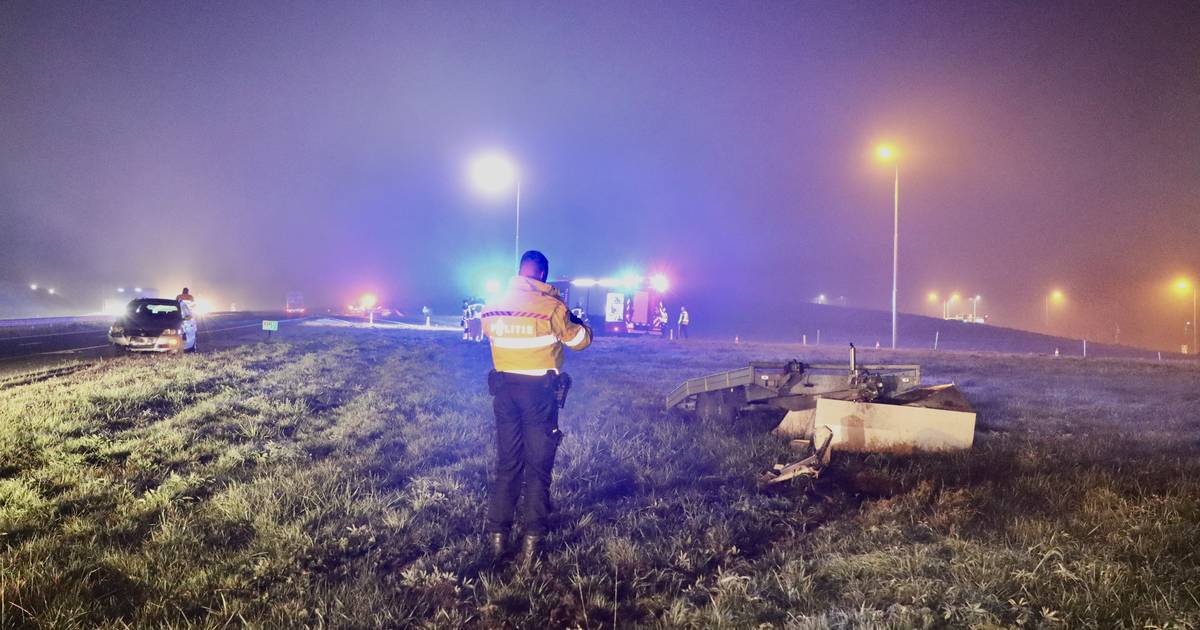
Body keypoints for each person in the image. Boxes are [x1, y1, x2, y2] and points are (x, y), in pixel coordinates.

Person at [481, 250, 592, 565]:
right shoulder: (552, 308)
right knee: (538, 469)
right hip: (540, 396)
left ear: (519, 272)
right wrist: (578, 321)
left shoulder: (492, 308)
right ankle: (532, 543)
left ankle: (498, 539)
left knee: (507, 465)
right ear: (542, 275)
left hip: (504, 393)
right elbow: (580, 340)